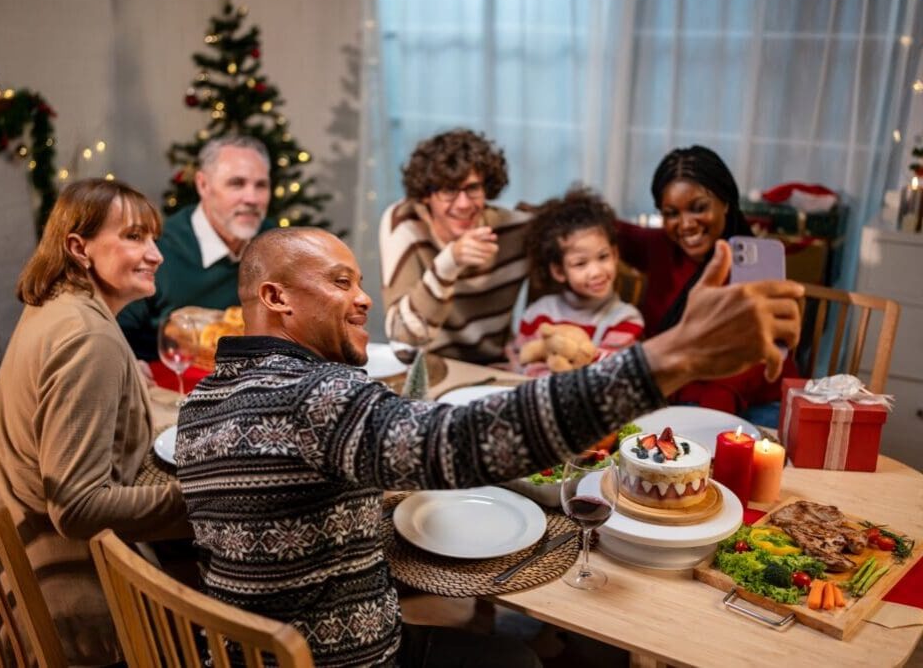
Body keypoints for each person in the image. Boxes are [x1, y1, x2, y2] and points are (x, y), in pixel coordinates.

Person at [176, 226, 802, 667]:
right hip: (345, 658)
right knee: (516, 658)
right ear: (276, 297)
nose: (364, 297)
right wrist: (671, 356)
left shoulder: (201, 401)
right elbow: (458, 442)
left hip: (248, 653)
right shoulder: (317, 396)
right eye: (341, 281)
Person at [0, 179, 192, 666]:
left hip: (12, 576)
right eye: (135, 237)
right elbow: (76, 506)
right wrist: (206, 499)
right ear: (78, 247)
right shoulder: (87, 338)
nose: (156, 254)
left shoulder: (51, 309)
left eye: (154, 238)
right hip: (70, 609)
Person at [616, 145, 797, 417]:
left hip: (751, 403)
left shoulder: (756, 264)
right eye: (671, 213)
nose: (686, 224)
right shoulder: (661, 247)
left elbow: (754, 366)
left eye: (698, 208)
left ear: (725, 202)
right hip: (673, 397)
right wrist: (547, 214)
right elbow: (603, 227)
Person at [379, 128, 533, 365]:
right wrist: (448, 263)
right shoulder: (405, 224)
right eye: (448, 190)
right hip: (428, 369)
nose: (463, 204)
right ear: (425, 195)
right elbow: (404, 343)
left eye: (472, 188)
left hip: (496, 368)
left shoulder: (516, 231)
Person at [118, 134, 276, 361]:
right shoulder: (157, 247)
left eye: (261, 185)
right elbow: (117, 333)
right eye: (236, 184)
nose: (251, 198)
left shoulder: (275, 245)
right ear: (203, 185)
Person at [514, 186, 644, 376]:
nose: (596, 272)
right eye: (580, 263)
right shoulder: (538, 315)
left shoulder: (625, 320)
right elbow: (524, 362)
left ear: (615, 255)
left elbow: (607, 377)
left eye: (603, 257)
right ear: (559, 271)